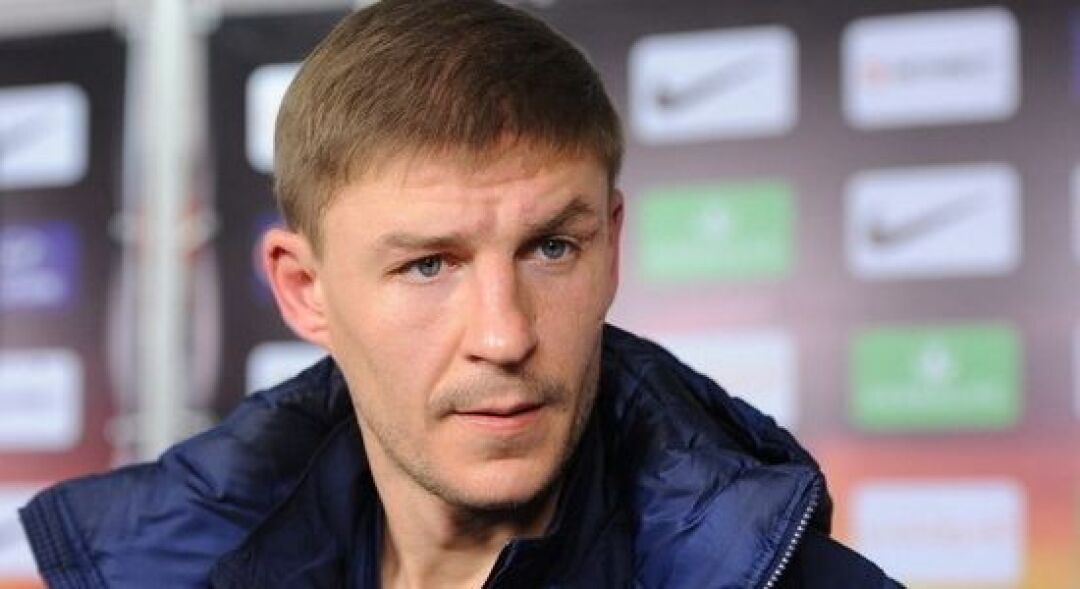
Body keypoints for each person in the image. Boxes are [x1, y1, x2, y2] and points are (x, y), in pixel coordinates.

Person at [20, 0, 901, 587]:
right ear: (304, 288)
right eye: (429, 265)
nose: (505, 335)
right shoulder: (166, 568)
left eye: (551, 247)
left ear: (611, 247)